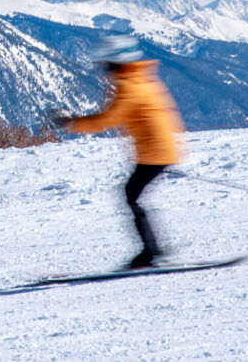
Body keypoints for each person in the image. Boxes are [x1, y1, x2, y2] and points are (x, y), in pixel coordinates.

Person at [56, 35, 185, 269]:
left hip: (155, 152)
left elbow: (107, 120)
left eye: (107, 65)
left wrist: (70, 123)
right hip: (160, 149)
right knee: (132, 195)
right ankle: (152, 250)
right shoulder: (141, 79)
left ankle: (151, 252)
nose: (104, 71)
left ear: (116, 64)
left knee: (131, 195)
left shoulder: (129, 86)